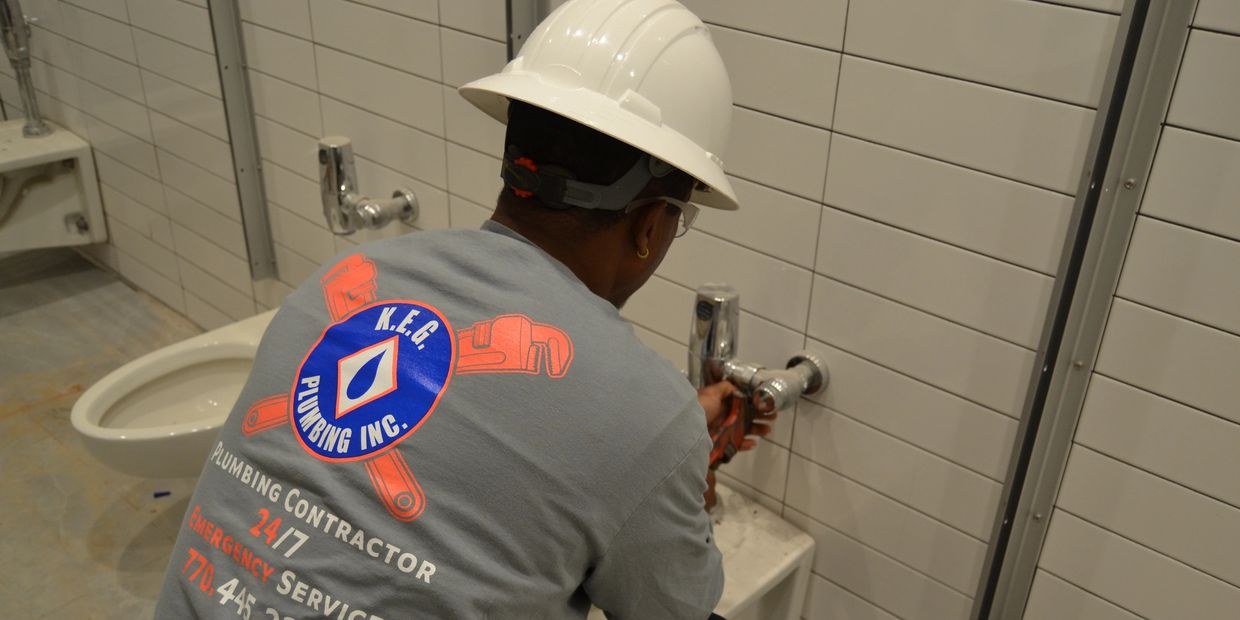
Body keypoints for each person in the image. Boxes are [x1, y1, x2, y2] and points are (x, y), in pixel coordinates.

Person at [154, 0, 772, 617]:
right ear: (649, 225)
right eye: (679, 221)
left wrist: (661, 462)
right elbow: (676, 607)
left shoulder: (344, 280)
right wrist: (666, 462)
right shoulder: (643, 414)